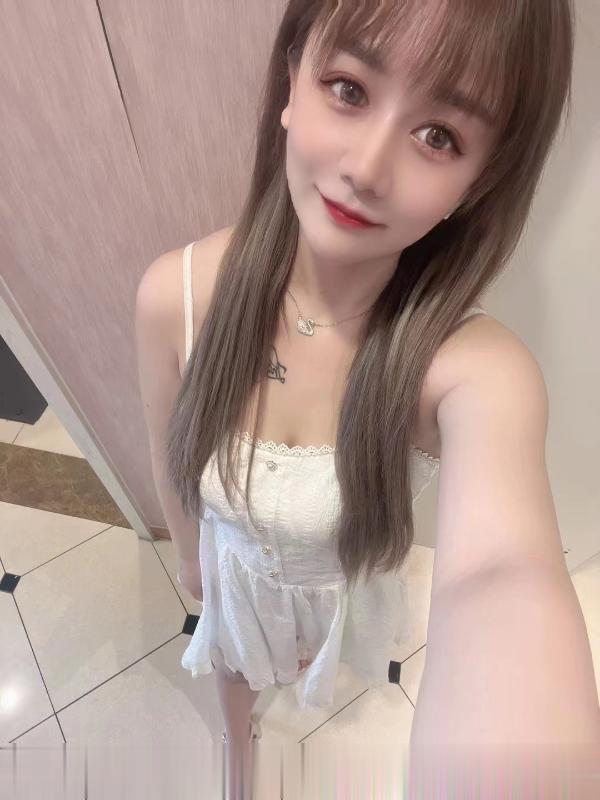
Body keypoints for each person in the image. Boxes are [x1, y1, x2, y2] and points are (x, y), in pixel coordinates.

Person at [135, 1, 597, 797]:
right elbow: (166, 460)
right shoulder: (172, 297)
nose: (369, 168)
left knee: (304, 660)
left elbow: (502, 576)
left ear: (479, 182)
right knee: (235, 666)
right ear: (292, 78)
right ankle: (237, 744)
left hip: (333, 594)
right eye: (349, 89)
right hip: (233, 577)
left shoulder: (471, 369)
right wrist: (189, 559)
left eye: (438, 135)